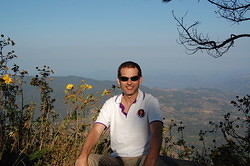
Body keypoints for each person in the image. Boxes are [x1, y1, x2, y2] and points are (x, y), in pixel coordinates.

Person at [76, 61, 164, 166]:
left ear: (140, 79)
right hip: (116, 160)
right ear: (119, 81)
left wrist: (149, 162)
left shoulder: (149, 101)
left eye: (134, 78)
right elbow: (96, 130)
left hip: (142, 158)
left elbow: (157, 133)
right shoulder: (111, 104)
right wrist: (83, 156)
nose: (129, 82)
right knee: (87, 160)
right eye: (124, 79)